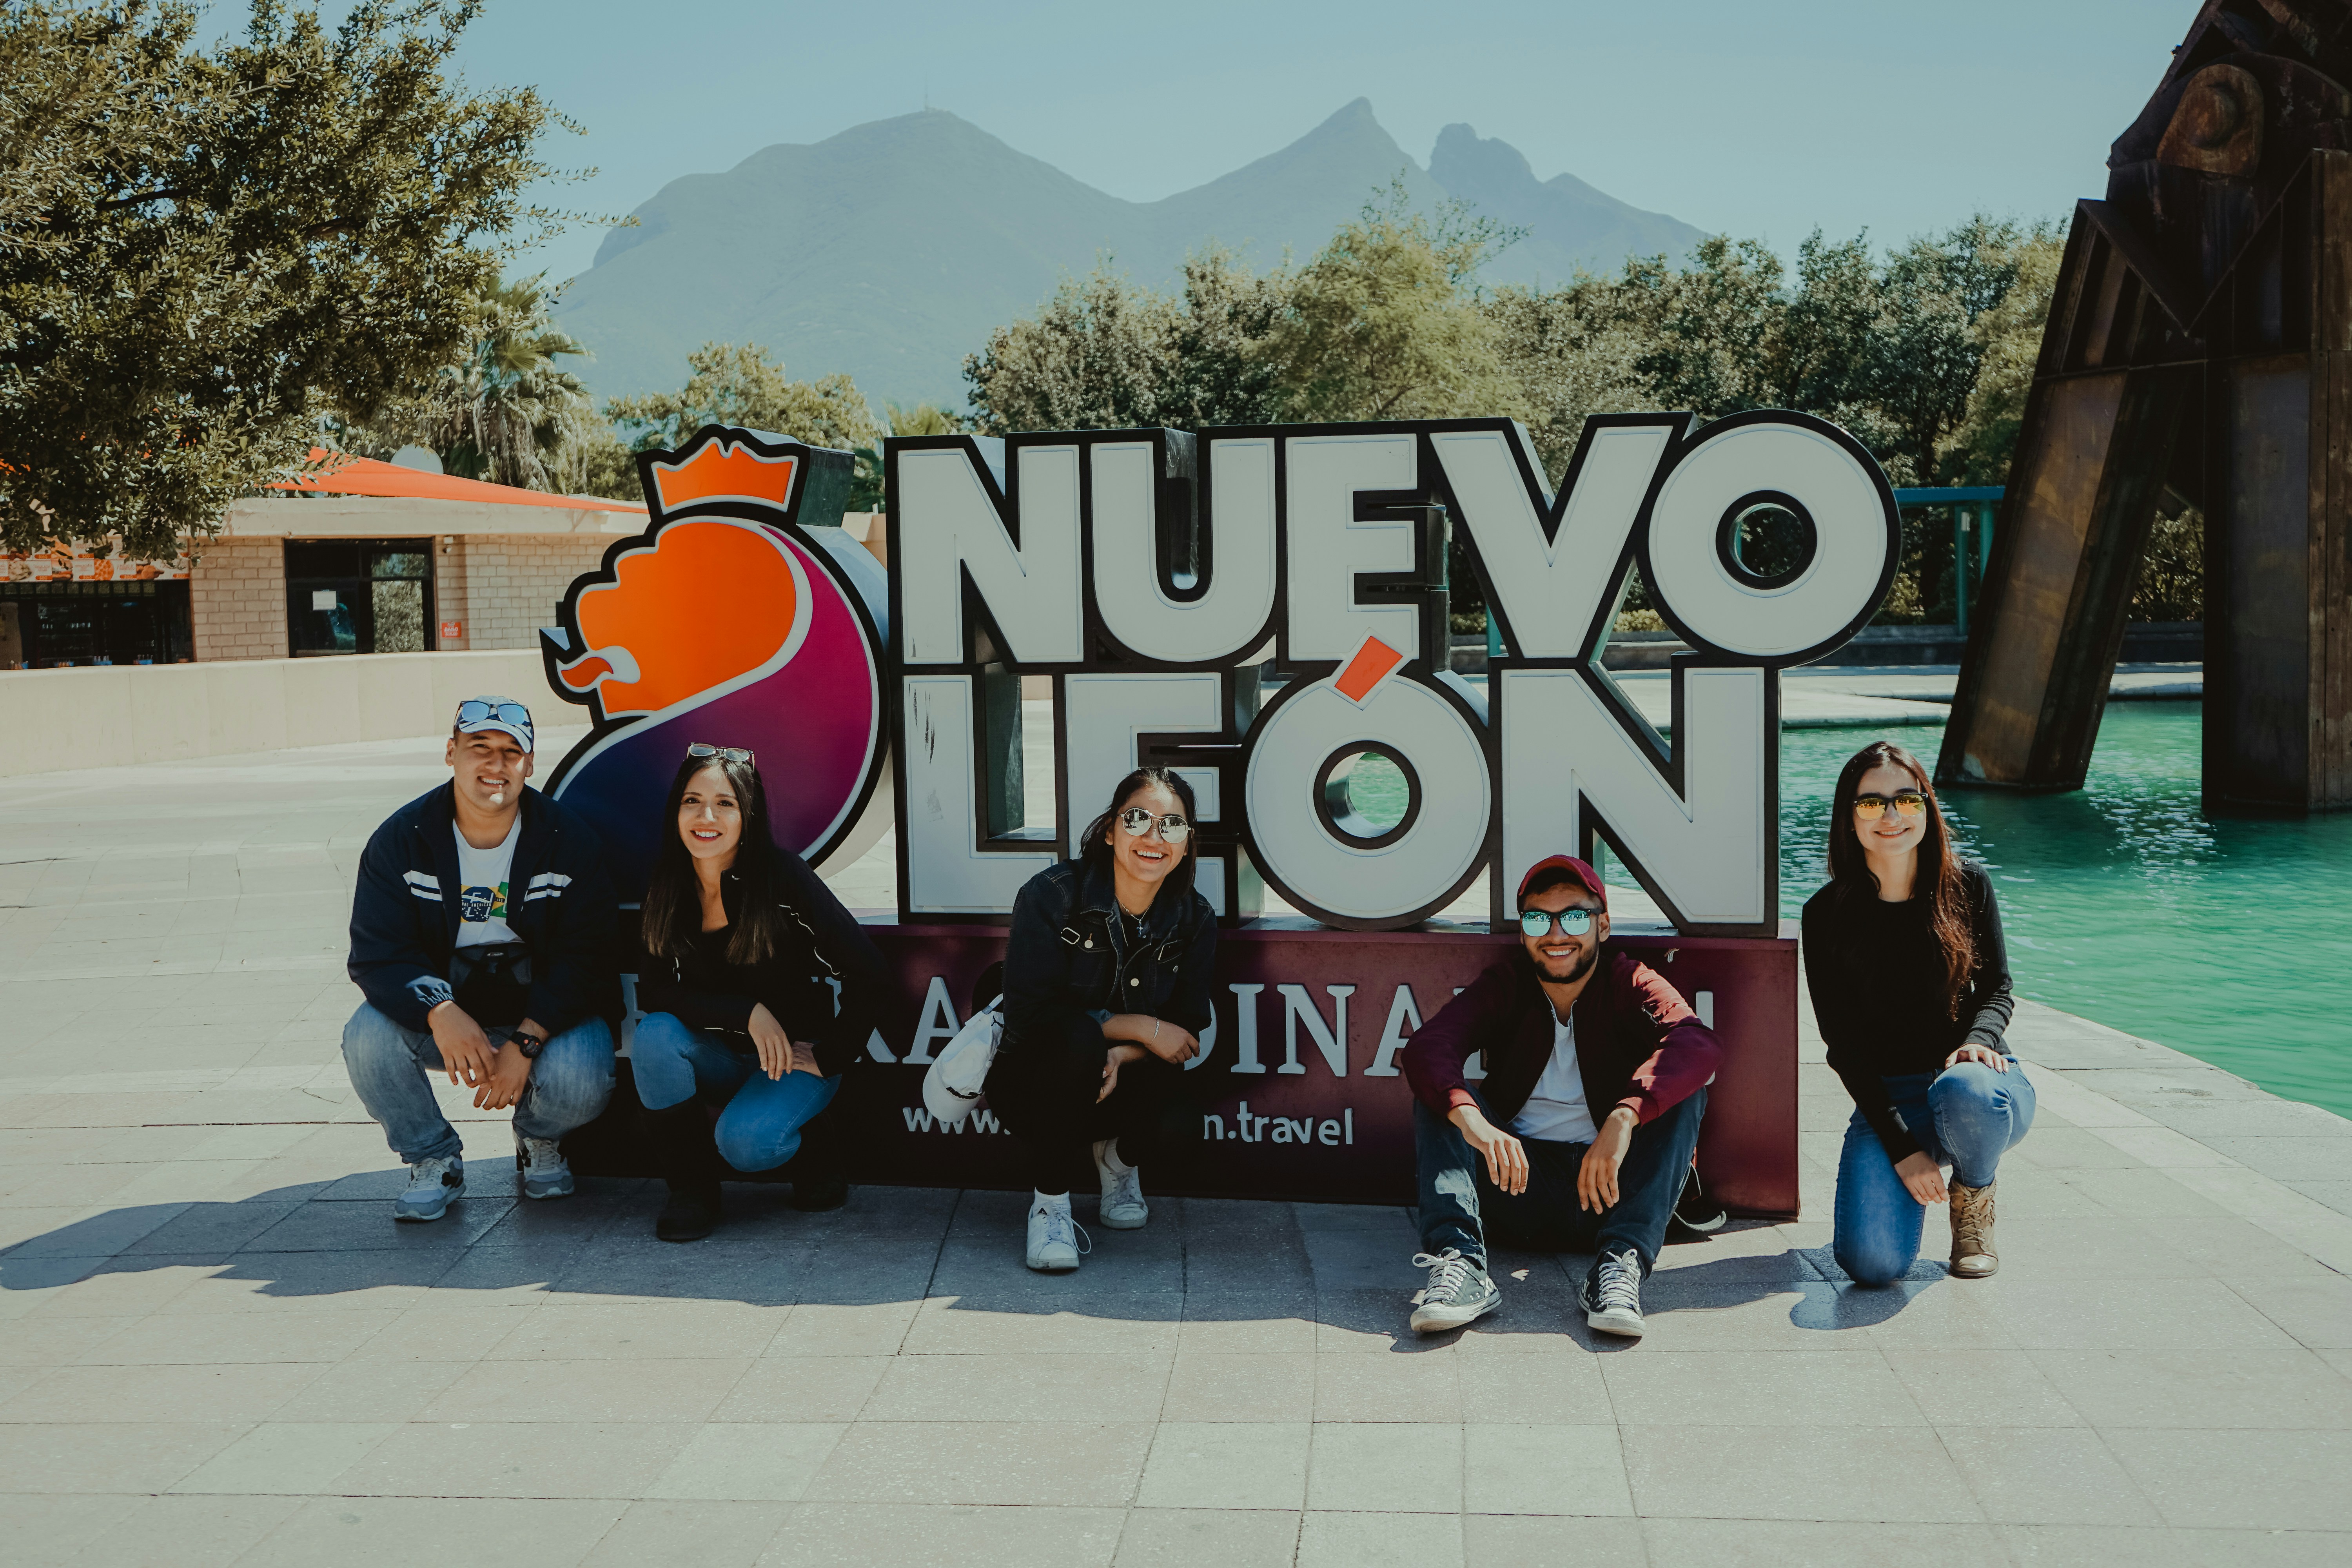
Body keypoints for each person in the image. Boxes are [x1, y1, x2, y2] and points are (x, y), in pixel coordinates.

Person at [1402, 855, 1722, 1340]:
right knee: (1443, 1095)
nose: (1556, 934)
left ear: (1603, 925)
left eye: (1574, 916)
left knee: (1683, 1093)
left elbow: (1697, 1044)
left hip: (1612, 1192)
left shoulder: (1629, 980)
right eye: (1537, 918)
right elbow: (1430, 1047)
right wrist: (1474, 1122)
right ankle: (1462, 1264)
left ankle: (1620, 1266)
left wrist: (1624, 1116)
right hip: (1516, 1185)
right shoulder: (1506, 985)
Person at [344, 697, 618, 1221]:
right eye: (480, 749)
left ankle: (538, 1139)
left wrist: (527, 1040)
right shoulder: (403, 840)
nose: (496, 766)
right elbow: (379, 952)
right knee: (366, 1038)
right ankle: (434, 1158)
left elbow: (588, 955)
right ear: (452, 753)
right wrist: (439, 1012)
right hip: (449, 1011)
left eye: (511, 752)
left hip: (542, 1013)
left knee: (584, 1077)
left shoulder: (569, 841)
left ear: (530, 765)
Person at [631, 744, 887, 1241]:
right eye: (692, 800)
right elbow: (657, 990)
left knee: (747, 1145)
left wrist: (832, 1053)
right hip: (721, 1055)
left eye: (725, 803)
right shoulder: (666, 883)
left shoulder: (782, 877)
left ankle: (816, 1147)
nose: (707, 816)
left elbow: (870, 972)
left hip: (795, 1060)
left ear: (748, 812)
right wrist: (746, 1012)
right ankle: (692, 1191)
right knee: (655, 1037)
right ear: (676, 811)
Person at [1804, 740, 2029, 1285]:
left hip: (1975, 1083)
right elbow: (1845, 1047)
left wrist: (1979, 1039)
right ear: (1848, 818)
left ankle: (1972, 1195)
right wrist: (1903, 1147)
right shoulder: (1826, 915)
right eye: (1870, 803)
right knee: (1871, 1265)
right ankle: (1920, 1161)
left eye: (1907, 800)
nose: (1890, 816)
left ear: (1927, 806)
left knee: (1966, 1091)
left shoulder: (1968, 883)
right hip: (1893, 1095)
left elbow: (1998, 987)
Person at [986, 767, 1216, 1272]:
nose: (1153, 837)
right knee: (1073, 1037)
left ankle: (1118, 1164)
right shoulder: (1052, 895)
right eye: (1138, 820)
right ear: (1111, 830)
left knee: (1181, 1124)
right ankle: (1050, 1206)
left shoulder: (1194, 917)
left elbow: (1185, 1029)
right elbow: (1028, 1013)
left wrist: (1119, 1050)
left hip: (1116, 1086)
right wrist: (1137, 1027)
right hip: (1033, 1086)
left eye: (1171, 826)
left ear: (1186, 844)